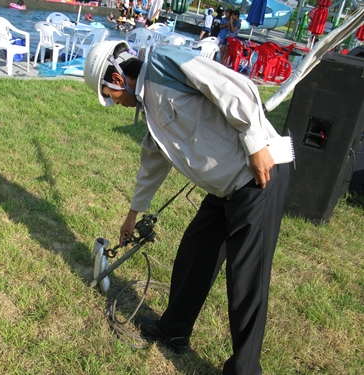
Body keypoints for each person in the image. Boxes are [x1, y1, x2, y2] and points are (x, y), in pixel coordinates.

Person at [84, 40, 289, 375]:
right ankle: (174, 330)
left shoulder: (165, 63)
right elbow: (152, 163)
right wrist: (131, 216)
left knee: (246, 282)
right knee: (195, 253)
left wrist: (254, 143)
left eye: (110, 95)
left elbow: (234, 87)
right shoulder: (149, 111)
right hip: (227, 189)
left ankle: (245, 370)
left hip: (259, 174)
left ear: (118, 79)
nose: (114, 103)